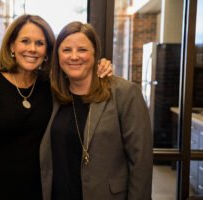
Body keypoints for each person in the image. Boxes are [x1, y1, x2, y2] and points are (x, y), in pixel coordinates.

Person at [0, 15, 113, 200]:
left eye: (39, 43)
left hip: (41, 191)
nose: (32, 49)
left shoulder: (52, 86)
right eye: (25, 41)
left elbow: (79, 72)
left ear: (47, 51)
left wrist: (100, 65)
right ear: (12, 46)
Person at [40, 21, 153, 200]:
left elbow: (141, 162)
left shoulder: (125, 93)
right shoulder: (53, 95)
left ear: (95, 54)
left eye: (82, 50)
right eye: (66, 50)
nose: (74, 56)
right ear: (58, 56)